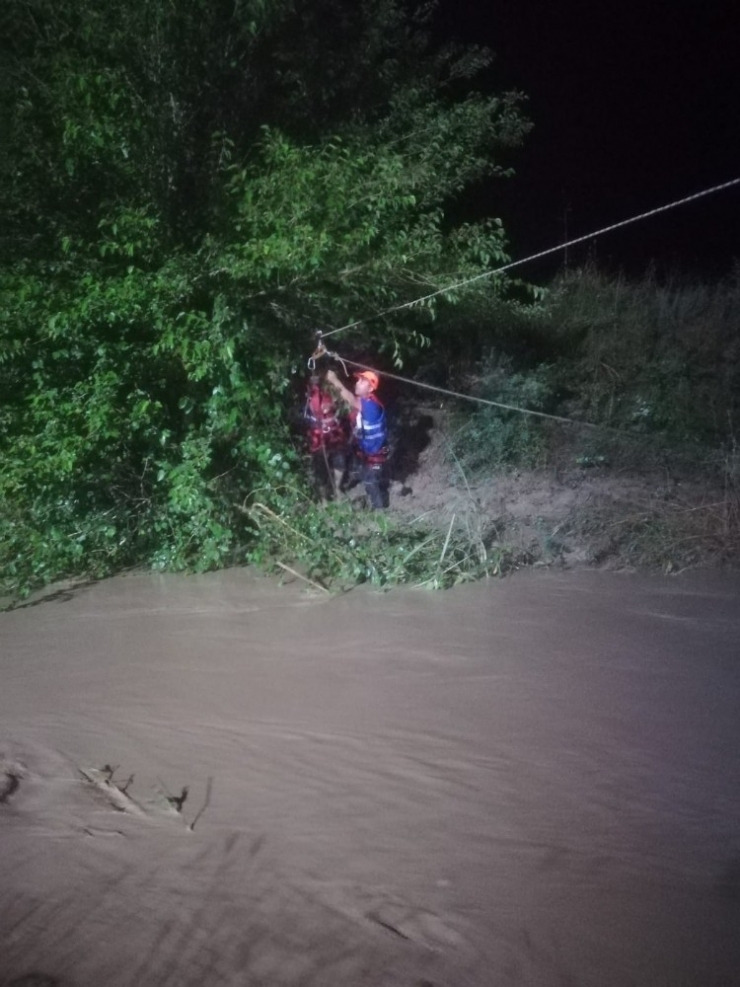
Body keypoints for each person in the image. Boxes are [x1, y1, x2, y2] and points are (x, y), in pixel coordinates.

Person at [325, 367, 389, 509]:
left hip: (377, 452)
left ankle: (380, 513)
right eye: (359, 379)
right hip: (369, 448)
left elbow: (349, 398)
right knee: (360, 469)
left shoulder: (371, 405)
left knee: (369, 480)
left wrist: (334, 380)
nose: (357, 382)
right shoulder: (365, 401)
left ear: (371, 388)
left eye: (362, 381)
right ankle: (378, 483)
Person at [303, 373, 349, 501]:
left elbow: (342, 403)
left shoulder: (331, 388)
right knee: (320, 465)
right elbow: (305, 412)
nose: (315, 379)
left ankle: (337, 488)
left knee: (339, 460)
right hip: (317, 433)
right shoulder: (308, 393)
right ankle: (323, 498)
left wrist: (333, 406)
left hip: (334, 430)